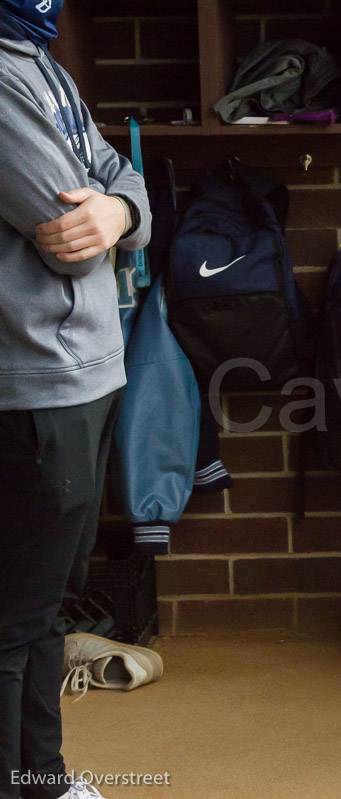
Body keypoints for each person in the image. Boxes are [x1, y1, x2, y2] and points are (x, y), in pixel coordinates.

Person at [0, 3, 153, 799]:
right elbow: (64, 231)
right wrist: (108, 210)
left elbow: (127, 186)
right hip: (29, 380)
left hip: (87, 371)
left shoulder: (40, 59)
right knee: (11, 617)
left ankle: (42, 782)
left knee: (46, 606)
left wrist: (120, 208)